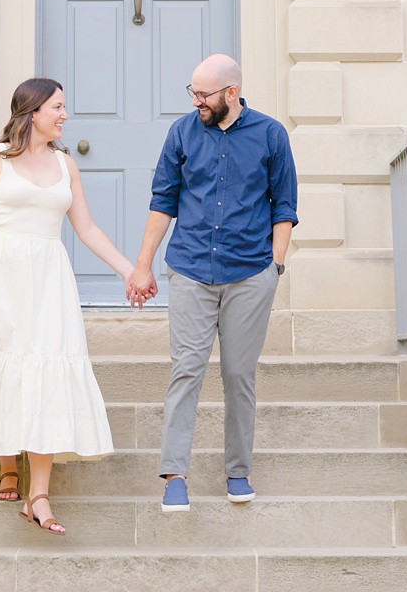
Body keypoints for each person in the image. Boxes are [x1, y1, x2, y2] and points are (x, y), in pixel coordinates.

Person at [0, 78, 138, 536]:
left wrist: (129, 270)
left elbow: (88, 229)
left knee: (46, 369)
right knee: (2, 360)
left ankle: (39, 495)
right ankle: (6, 465)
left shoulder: (65, 164)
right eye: (57, 107)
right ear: (32, 111)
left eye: (64, 107)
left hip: (48, 276)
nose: (64, 115)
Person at [123, 52, 297, 514]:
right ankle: (174, 475)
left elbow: (284, 206)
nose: (196, 101)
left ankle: (237, 471)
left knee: (239, 375)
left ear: (231, 93)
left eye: (204, 94)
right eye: (193, 93)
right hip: (191, 269)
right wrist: (143, 266)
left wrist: (274, 268)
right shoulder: (181, 133)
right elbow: (163, 201)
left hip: (250, 273)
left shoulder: (271, 135)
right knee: (187, 369)